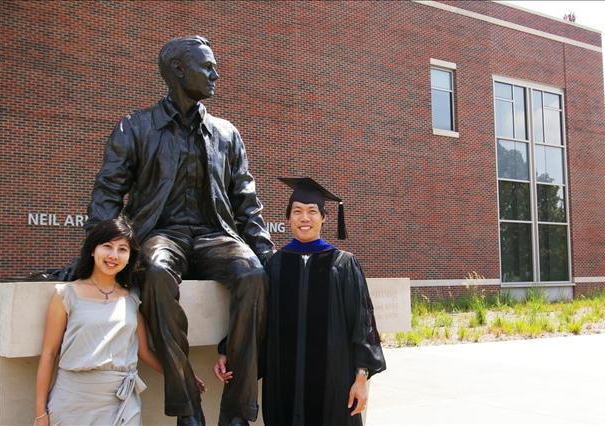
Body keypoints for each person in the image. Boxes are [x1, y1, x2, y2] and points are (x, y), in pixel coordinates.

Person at [85, 36, 273, 426]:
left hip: (214, 235)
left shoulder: (226, 133)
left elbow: (246, 201)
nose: (215, 74)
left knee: (254, 273)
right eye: (207, 67)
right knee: (154, 271)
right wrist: (100, 255)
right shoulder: (136, 127)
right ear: (177, 70)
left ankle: (237, 414)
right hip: (161, 233)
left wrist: (267, 255)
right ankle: (188, 408)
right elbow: (106, 194)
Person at [214, 177, 386, 426]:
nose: (304, 218)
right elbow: (256, 315)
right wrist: (228, 351)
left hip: (333, 387)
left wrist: (361, 379)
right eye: (297, 211)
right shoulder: (275, 265)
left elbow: (362, 323)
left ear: (324, 218)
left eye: (312, 211)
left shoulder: (343, 265)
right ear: (288, 219)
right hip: (283, 385)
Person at [34, 217, 172, 426]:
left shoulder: (132, 298)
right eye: (107, 246)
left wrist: (181, 378)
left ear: (129, 257)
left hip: (121, 401)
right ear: (92, 250)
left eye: (122, 249)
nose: (113, 255)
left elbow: (143, 351)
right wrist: (40, 413)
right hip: (72, 400)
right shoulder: (66, 294)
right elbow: (49, 353)